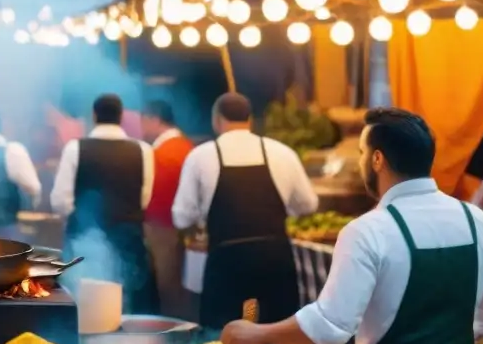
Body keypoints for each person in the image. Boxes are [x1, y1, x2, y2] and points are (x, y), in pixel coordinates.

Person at [221, 108, 483, 344]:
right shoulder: (477, 222)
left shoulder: (369, 230)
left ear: (377, 159)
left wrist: (258, 334)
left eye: (363, 153)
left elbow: (330, 325)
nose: (363, 160)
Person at [173, 93, 317, 328]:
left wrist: (200, 217)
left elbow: (181, 216)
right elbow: (308, 204)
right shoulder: (282, 152)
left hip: (226, 261)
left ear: (217, 120)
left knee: (222, 337)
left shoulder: (201, 156)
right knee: (278, 333)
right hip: (274, 258)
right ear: (250, 120)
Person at [51, 93, 158, 313]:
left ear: (94, 115)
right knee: (127, 307)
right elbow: (144, 199)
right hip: (129, 238)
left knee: (84, 307)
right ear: (121, 116)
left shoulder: (75, 148)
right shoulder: (143, 150)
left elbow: (60, 201)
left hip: (83, 239)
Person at [141, 101, 195, 319]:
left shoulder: (163, 153)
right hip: (184, 226)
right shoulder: (187, 146)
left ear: (154, 120)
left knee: (168, 286)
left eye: (144, 121)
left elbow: (154, 194)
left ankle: (174, 333)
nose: (142, 128)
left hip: (163, 227)